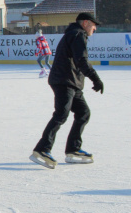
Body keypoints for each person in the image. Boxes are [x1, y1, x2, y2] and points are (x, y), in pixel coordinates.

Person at [30, 12, 103, 169]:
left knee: (83, 112)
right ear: (85, 23)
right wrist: (95, 78)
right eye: (93, 24)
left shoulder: (74, 33)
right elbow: (81, 60)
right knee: (61, 114)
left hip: (71, 81)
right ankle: (42, 149)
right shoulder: (78, 34)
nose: (95, 28)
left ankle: (73, 149)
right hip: (65, 81)